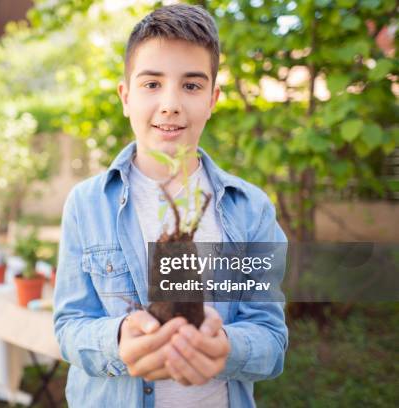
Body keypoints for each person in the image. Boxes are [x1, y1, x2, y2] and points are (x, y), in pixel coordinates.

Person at [53, 4, 288, 407]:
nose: (171, 103)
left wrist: (226, 346)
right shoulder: (87, 204)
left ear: (213, 99)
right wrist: (117, 340)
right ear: (125, 97)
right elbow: (69, 326)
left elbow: (270, 338)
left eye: (192, 86)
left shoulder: (251, 209)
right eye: (151, 84)